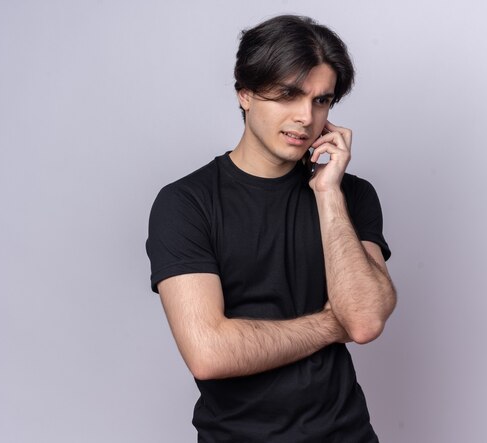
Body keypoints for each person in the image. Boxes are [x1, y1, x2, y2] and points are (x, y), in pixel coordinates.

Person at [146, 14, 396, 442]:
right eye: (288, 95)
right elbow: (208, 353)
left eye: (322, 101)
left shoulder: (350, 195)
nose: (305, 116)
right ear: (245, 93)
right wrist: (329, 325)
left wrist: (328, 194)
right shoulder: (185, 203)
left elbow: (365, 320)